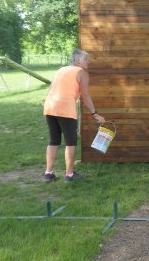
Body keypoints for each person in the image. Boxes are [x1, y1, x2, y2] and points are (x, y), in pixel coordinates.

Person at [42, 49, 105, 183]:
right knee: (71, 142)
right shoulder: (82, 73)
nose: (88, 61)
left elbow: (51, 88)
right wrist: (95, 114)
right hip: (65, 109)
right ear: (77, 60)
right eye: (85, 59)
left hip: (50, 106)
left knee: (54, 140)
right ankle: (69, 175)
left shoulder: (61, 70)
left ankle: (48, 173)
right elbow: (86, 96)